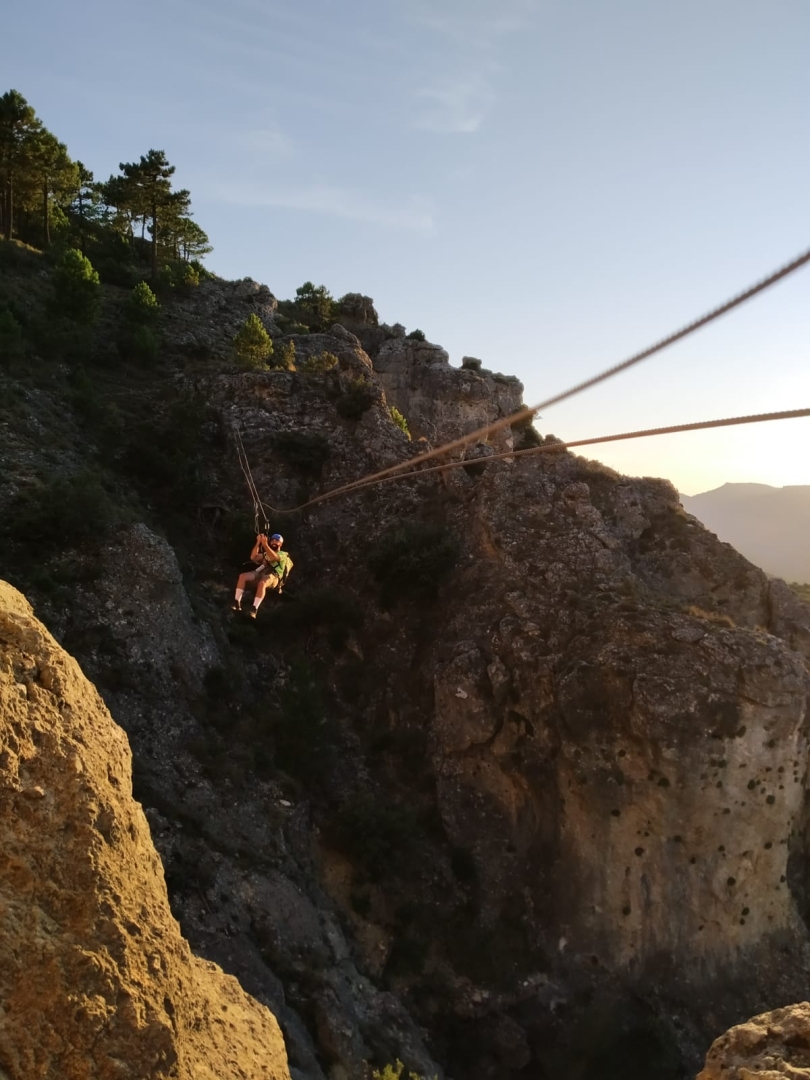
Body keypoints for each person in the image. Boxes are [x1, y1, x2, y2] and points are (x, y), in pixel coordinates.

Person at [232, 533, 293, 618]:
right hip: (262, 572)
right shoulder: (266, 554)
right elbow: (253, 557)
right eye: (272, 540)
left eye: (277, 541)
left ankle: (254, 609)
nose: (274, 542)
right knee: (243, 576)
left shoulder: (283, 554)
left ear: (281, 544)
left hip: (274, 576)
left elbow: (274, 557)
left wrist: (265, 544)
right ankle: (237, 602)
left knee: (263, 582)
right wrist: (258, 543)